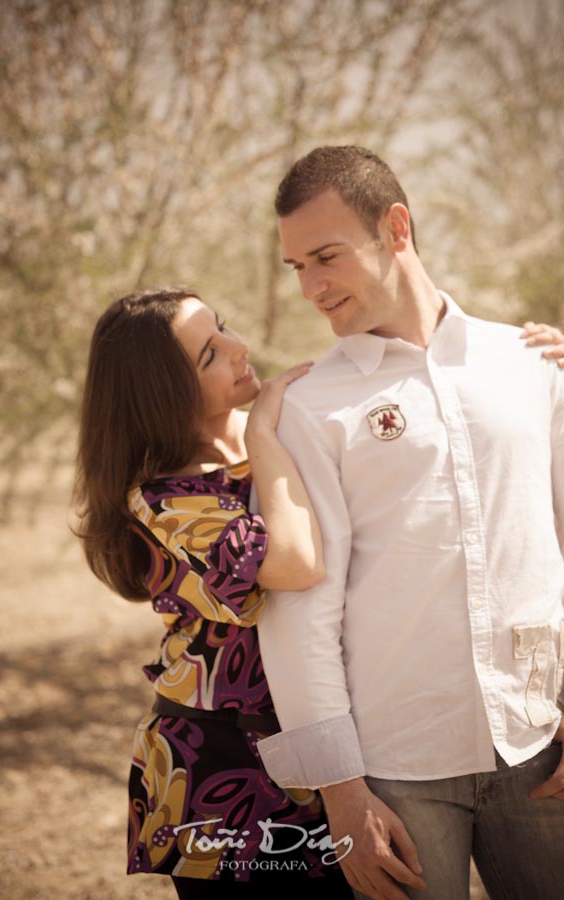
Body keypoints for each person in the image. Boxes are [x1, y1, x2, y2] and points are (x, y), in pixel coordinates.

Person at [254, 145, 564, 900]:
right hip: (395, 769)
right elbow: (300, 609)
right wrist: (338, 789)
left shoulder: (529, 365)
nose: (311, 288)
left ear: (396, 228)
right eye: (297, 267)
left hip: (538, 747)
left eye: (325, 256)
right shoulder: (309, 406)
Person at [73, 289, 355, 899]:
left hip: (321, 749)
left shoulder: (277, 437)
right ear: (165, 394)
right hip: (221, 773)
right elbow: (298, 563)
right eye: (210, 354)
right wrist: (263, 435)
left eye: (223, 328)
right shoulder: (165, 500)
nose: (240, 348)